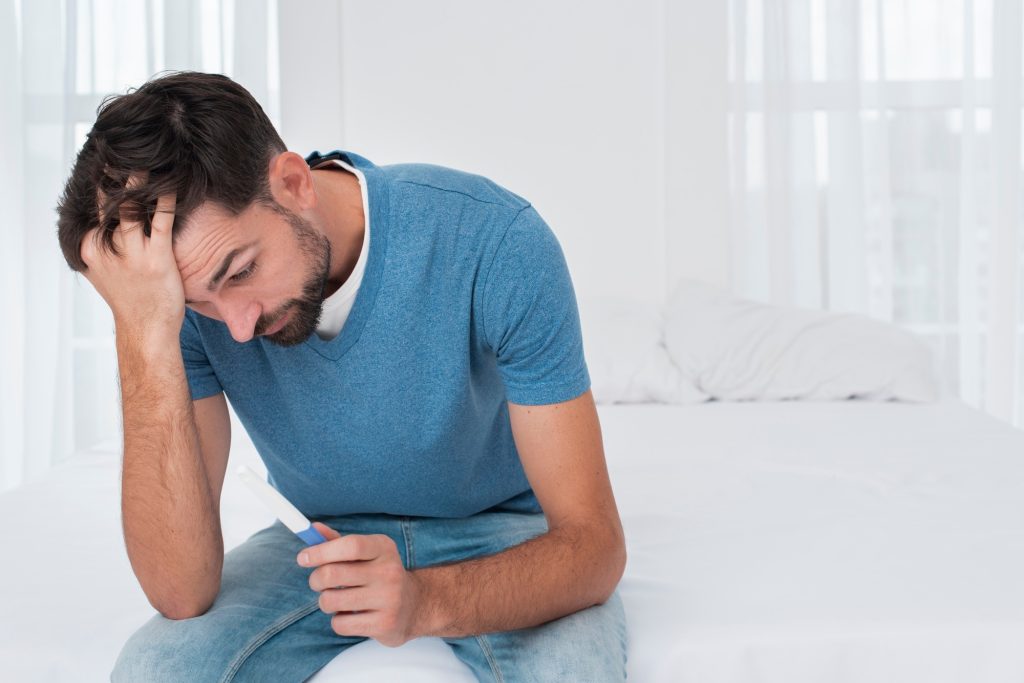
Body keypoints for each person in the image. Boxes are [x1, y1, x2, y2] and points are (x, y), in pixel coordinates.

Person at [57, 71, 627, 682]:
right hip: (315, 541)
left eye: (240, 271)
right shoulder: (184, 307)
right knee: (153, 670)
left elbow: (594, 548)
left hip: (505, 533)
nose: (238, 328)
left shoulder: (495, 241)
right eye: (200, 303)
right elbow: (180, 593)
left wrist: (424, 601)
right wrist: (143, 329)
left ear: (293, 183)